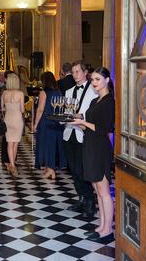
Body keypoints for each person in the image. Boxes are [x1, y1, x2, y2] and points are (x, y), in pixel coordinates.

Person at [73, 67, 115, 243]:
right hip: (89, 146)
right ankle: (102, 225)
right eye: (92, 80)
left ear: (106, 80)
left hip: (100, 148)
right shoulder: (95, 101)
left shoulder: (109, 102)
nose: (94, 83)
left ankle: (108, 231)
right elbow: (88, 126)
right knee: (98, 190)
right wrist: (74, 121)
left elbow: (105, 129)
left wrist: (83, 122)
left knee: (104, 191)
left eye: (98, 79)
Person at [62, 61, 98, 217]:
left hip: (83, 135)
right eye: (73, 71)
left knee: (83, 170)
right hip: (69, 133)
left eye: (77, 71)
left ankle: (90, 202)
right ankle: (81, 199)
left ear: (85, 73)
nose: (75, 74)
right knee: (74, 171)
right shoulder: (69, 91)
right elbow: (65, 112)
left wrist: (80, 117)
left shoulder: (94, 91)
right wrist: (63, 118)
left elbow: (94, 114)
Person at [33, 71, 66, 180]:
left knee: (46, 145)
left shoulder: (44, 93)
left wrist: (35, 124)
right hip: (56, 122)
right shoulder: (59, 92)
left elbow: (40, 109)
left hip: (46, 122)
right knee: (53, 145)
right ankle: (49, 168)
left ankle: (51, 169)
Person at [1, 73, 25, 178]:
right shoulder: (20, 94)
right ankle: (12, 165)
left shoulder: (4, 93)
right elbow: (23, 110)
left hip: (7, 120)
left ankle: (11, 165)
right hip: (17, 120)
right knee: (15, 144)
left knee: (9, 143)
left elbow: (2, 108)